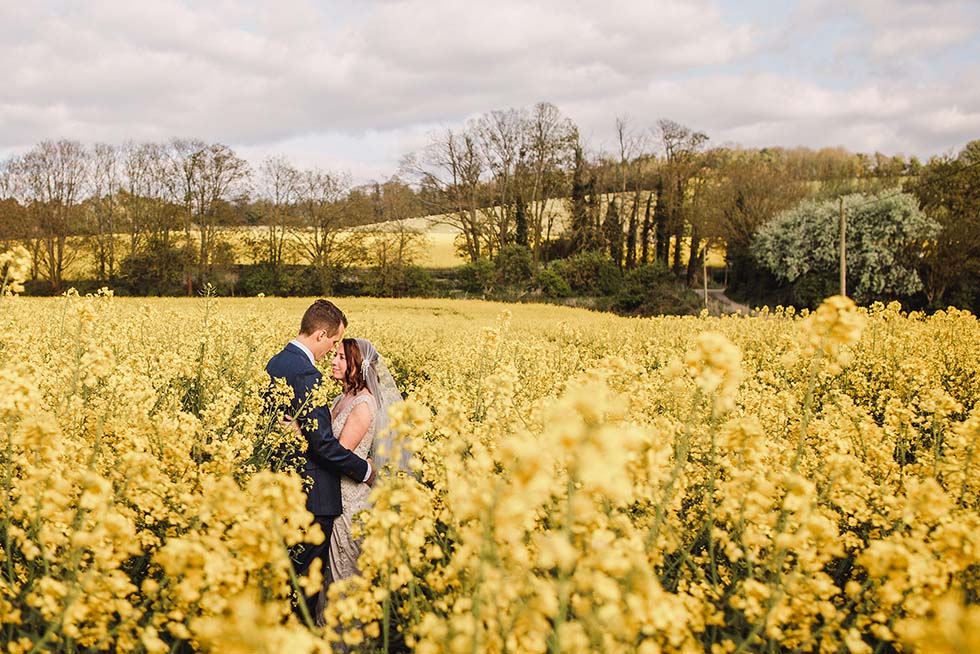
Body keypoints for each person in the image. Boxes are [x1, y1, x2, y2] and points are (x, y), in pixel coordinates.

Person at [265, 300, 375, 620]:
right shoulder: (306, 373)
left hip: (287, 488)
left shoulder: (276, 362)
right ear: (321, 334)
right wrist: (366, 470)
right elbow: (323, 444)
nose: (332, 349)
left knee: (292, 581)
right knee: (305, 588)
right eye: (334, 342)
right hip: (314, 498)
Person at [316, 338, 407, 621]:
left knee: (343, 578)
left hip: (349, 502)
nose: (334, 361)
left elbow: (337, 454)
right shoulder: (340, 398)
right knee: (328, 580)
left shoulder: (364, 403)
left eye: (341, 357)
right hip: (333, 496)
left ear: (357, 365)